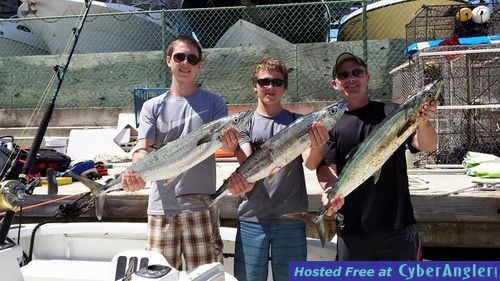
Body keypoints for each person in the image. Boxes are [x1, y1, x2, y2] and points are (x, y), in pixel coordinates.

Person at [121, 35, 241, 270]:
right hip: (160, 209)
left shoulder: (215, 103)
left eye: (192, 58)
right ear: (169, 60)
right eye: (179, 57)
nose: (185, 62)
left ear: (199, 65)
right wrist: (133, 171)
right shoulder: (151, 106)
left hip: (200, 207)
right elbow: (143, 148)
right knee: (160, 277)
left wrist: (230, 142)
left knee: (206, 275)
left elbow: (226, 146)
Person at [227, 57, 343, 281]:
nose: (270, 87)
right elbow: (248, 167)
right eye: (264, 82)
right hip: (252, 218)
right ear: (255, 85)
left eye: (277, 82)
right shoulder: (244, 124)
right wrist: (233, 149)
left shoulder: (298, 121)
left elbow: (310, 163)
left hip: (291, 219)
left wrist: (317, 144)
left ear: (285, 87)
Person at [317, 52, 439, 261]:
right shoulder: (331, 124)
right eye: (344, 75)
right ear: (335, 83)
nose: (351, 78)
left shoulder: (393, 111)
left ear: (368, 77)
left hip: (397, 225)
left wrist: (424, 122)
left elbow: (427, 145)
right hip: (352, 229)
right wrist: (329, 192)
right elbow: (326, 167)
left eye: (357, 72)